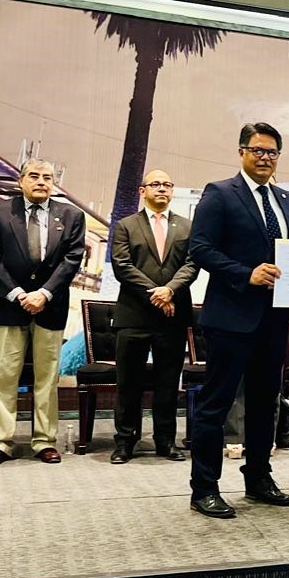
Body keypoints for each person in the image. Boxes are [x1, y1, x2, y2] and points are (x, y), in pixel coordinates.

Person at [188, 122, 289, 518]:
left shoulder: (286, 200)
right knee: (216, 404)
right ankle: (204, 488)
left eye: (272, 152)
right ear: (241, 152)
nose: (265, 158)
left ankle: (259, 478)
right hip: (231, 317)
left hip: (276, 317)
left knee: (266, 403)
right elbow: (200, 249)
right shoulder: (219, 193)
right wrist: (245, 273)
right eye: (257, 150)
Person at [0, 158, 86, 466]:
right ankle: (0, 442)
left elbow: (72, 259)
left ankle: (44, 441)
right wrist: (18, 294)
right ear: (21, 180)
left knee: (47, 378)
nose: (41, 182)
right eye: (35, 176)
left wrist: (44, 293)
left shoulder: (72, 215)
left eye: (47, 177)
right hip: (11, 306)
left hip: (51, 306)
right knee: (6, 375)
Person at [109, 169, 198, 464]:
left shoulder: (187, 226)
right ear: (142, 190)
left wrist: (170, 290)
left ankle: (165, 441)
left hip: (173, 316)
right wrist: (157, 294)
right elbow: (122, 266)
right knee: (128, 384)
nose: (162, 189)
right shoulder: (126, 225)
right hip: (133, 315)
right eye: (156, 184)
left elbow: (192, 265)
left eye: (167, 184)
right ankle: (125, 441)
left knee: (168, 384)